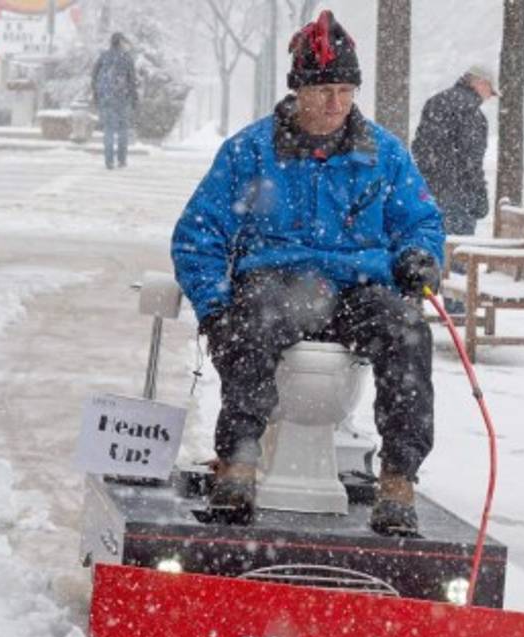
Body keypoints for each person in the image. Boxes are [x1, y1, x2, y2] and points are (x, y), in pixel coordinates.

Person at [171, 11, 444, 534]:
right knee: (249, 328)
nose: (335, 103)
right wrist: (214, 306)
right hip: (275, 285)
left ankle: (398, 480)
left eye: (345, 90)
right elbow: (197, 234)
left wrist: (419, 256)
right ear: (298, 91)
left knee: (408, 332)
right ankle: (239, 465)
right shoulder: (249, 152)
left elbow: (421, 221)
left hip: (362, 289)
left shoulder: (384, 155)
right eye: (323, 91)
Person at [411, 65, 497, 236]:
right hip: (459, 197)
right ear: (480, 83)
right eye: (490, 91)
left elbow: (419, 148)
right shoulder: (474, 115)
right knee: (458, 252)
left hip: (428, 191)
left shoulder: (435, 102)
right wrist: (480, 194)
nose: (489, 97)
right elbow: (471, 161)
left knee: (431, 247)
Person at [91, 32, 138, 170]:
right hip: (122, 98)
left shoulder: (103, 56)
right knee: (123, 129)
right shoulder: (126, 58)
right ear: (121, 42)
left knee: (109, 130)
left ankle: (109, 161)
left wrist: (96, 95)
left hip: (106, 98)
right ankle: (122, 160)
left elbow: (94, 76)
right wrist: (133, 97)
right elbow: (132, 79)